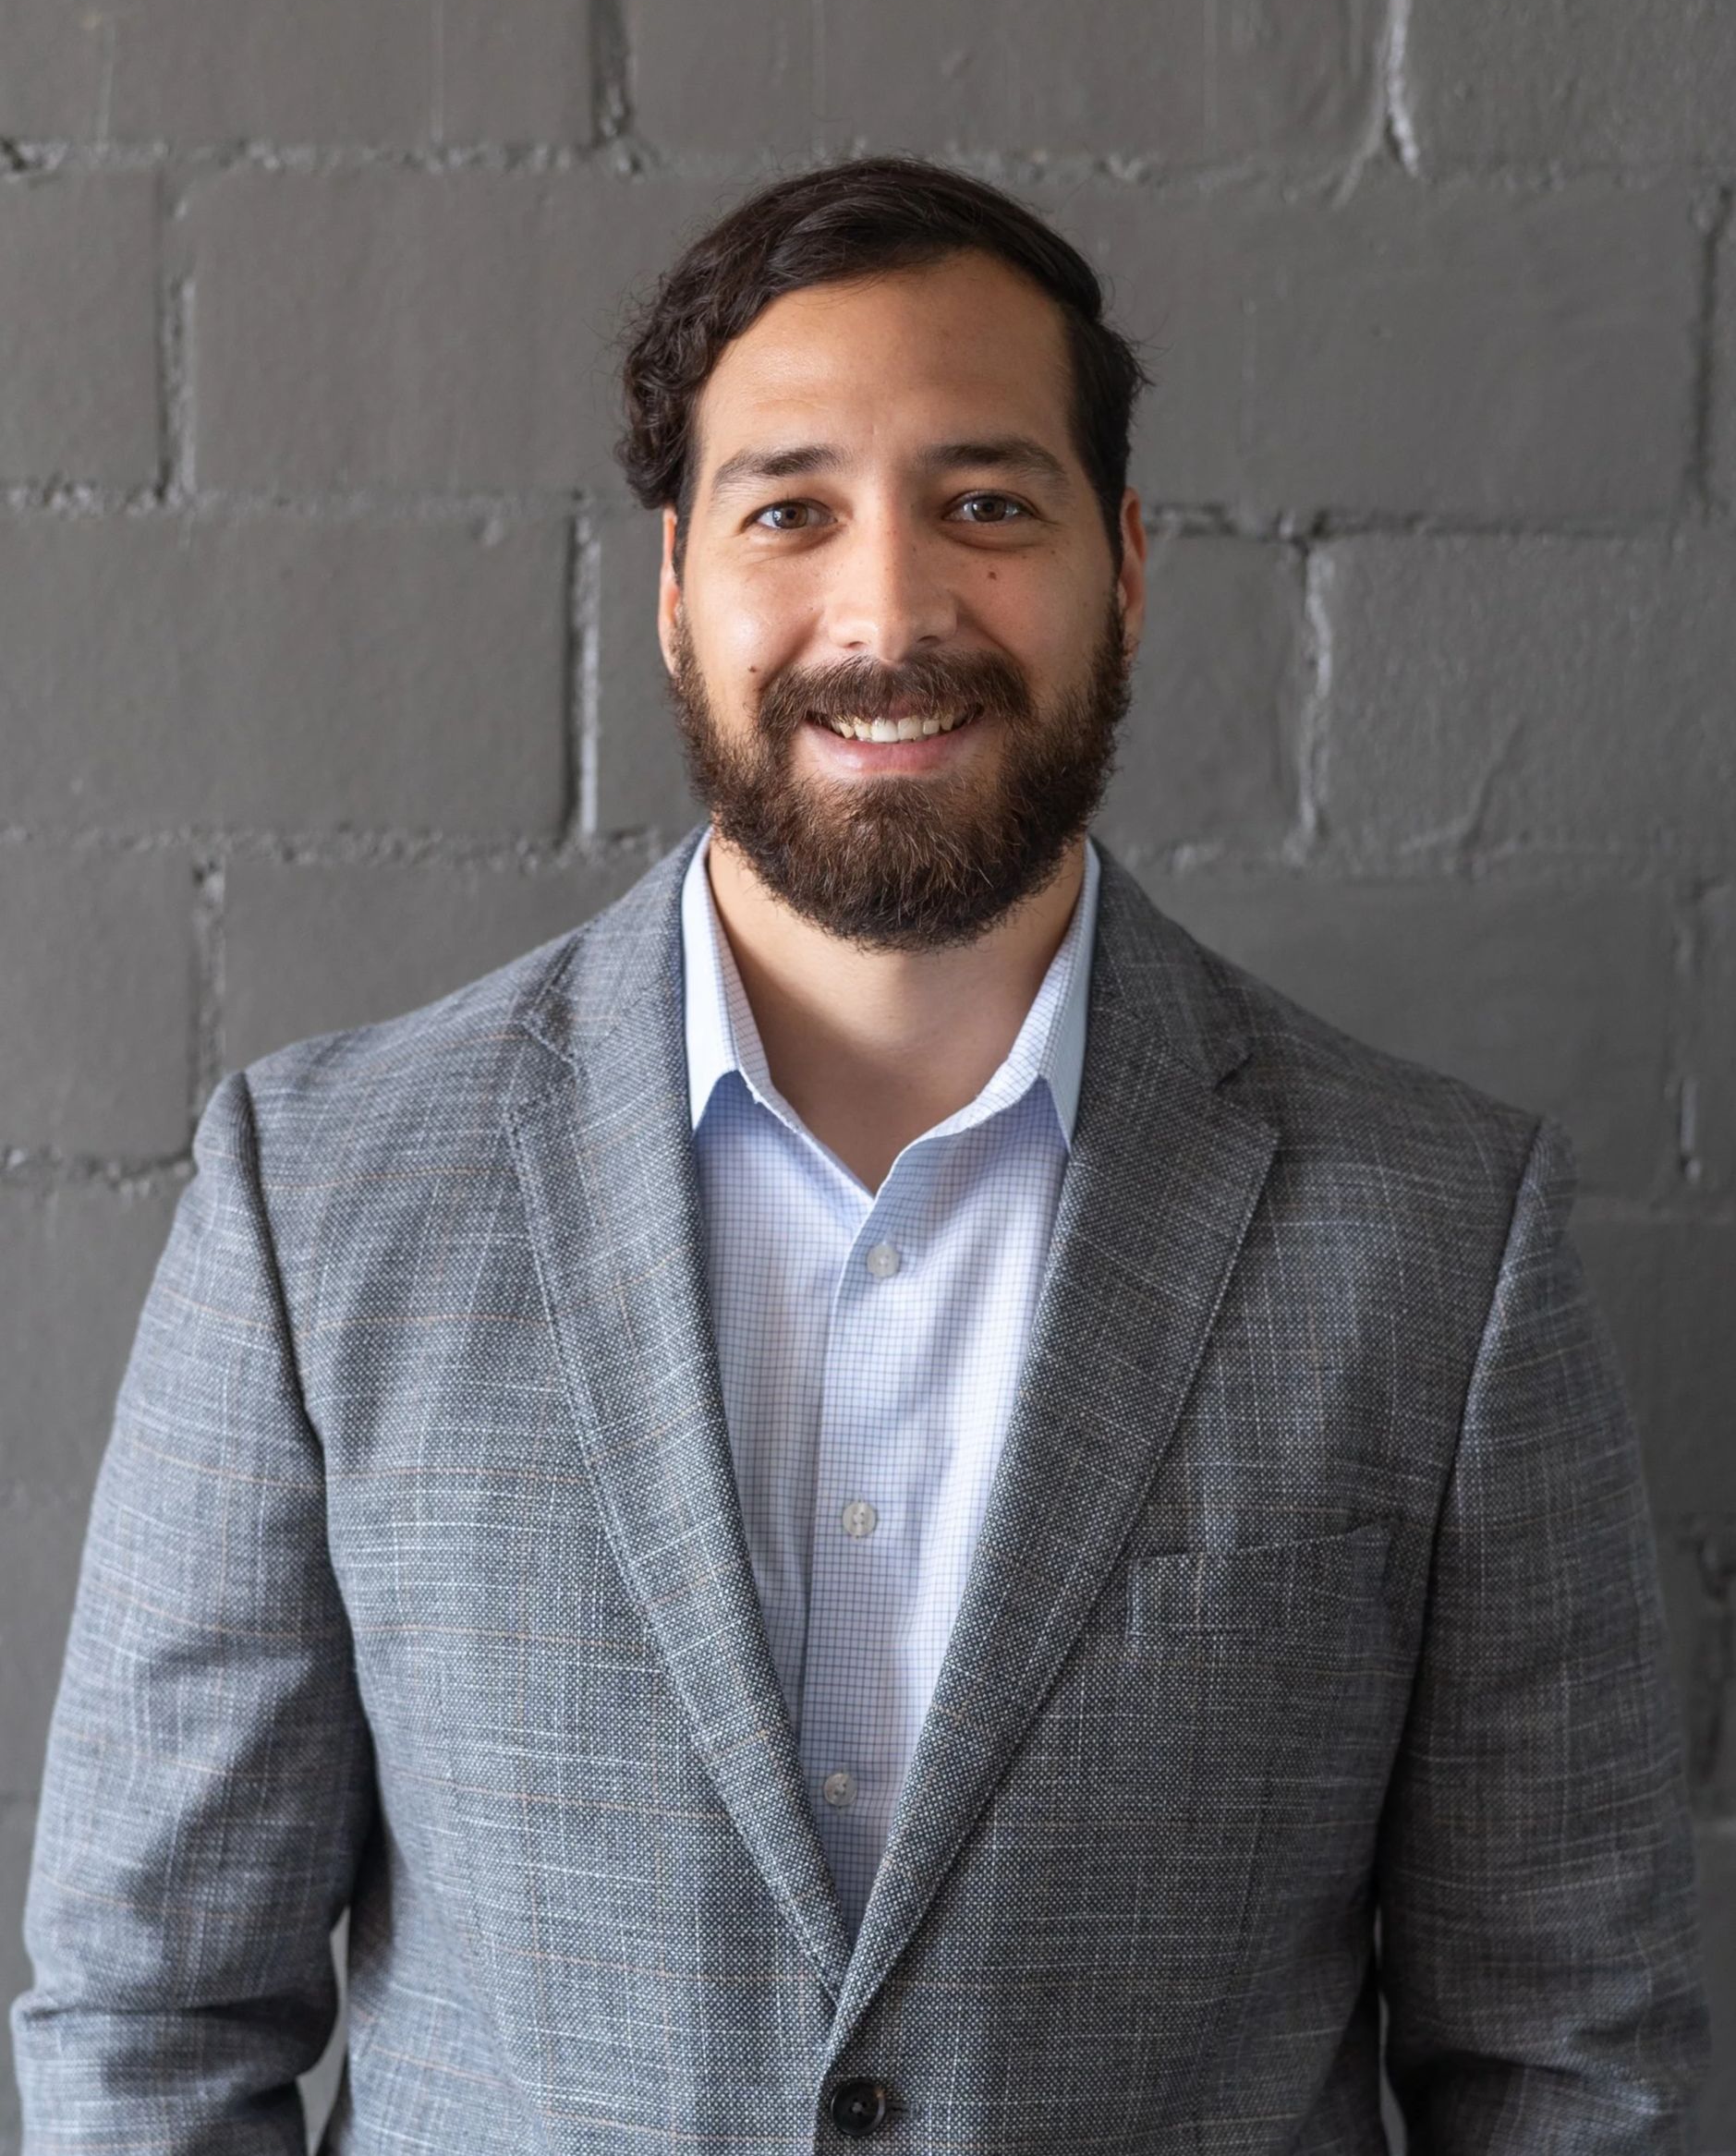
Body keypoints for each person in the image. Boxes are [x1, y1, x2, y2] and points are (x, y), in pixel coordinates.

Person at [12, 156, 1706, 2153]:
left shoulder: (1438, 1233)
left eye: (986, 505)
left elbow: (1569, 2067)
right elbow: (150, 2013)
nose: (889, 611)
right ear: (673, 589)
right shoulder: (324, 1195)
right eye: (791, 510)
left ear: (1130, 566)